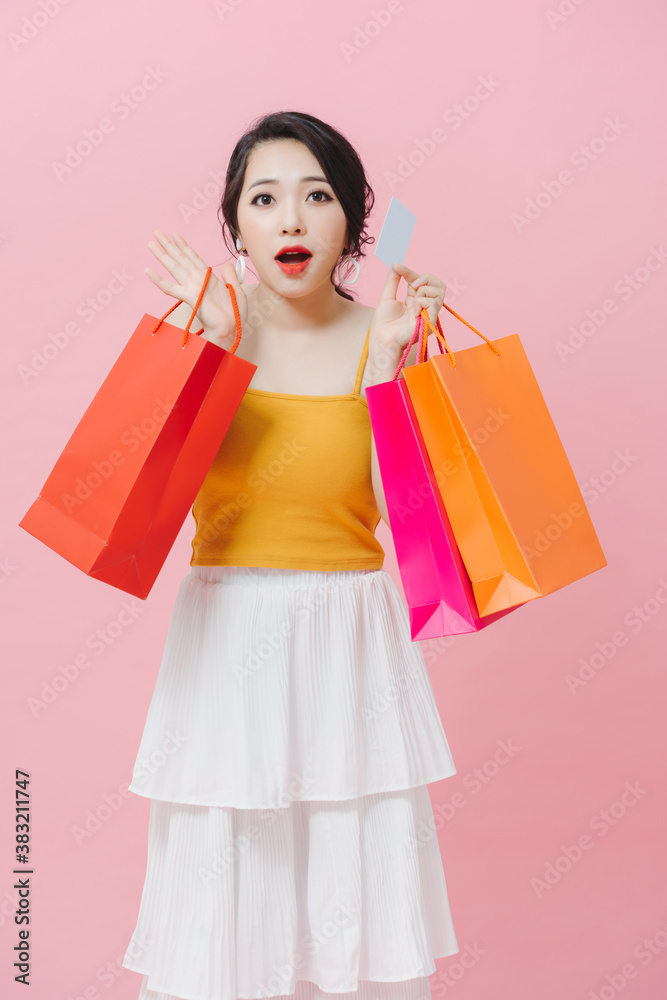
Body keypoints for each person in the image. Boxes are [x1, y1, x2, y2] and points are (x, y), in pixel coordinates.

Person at [121, 110, 459, 1000]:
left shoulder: (379, 336)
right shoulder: (207, 329)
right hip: (228, 634)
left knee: (354, 856)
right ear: (235, 225)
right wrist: (215, 354)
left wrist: (388, 368)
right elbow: (145, 502)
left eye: (317, 197)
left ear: (351, 221)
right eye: (264, 199)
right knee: (227, 871)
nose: (293, 220)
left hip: (349, 635)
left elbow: (403, 523)